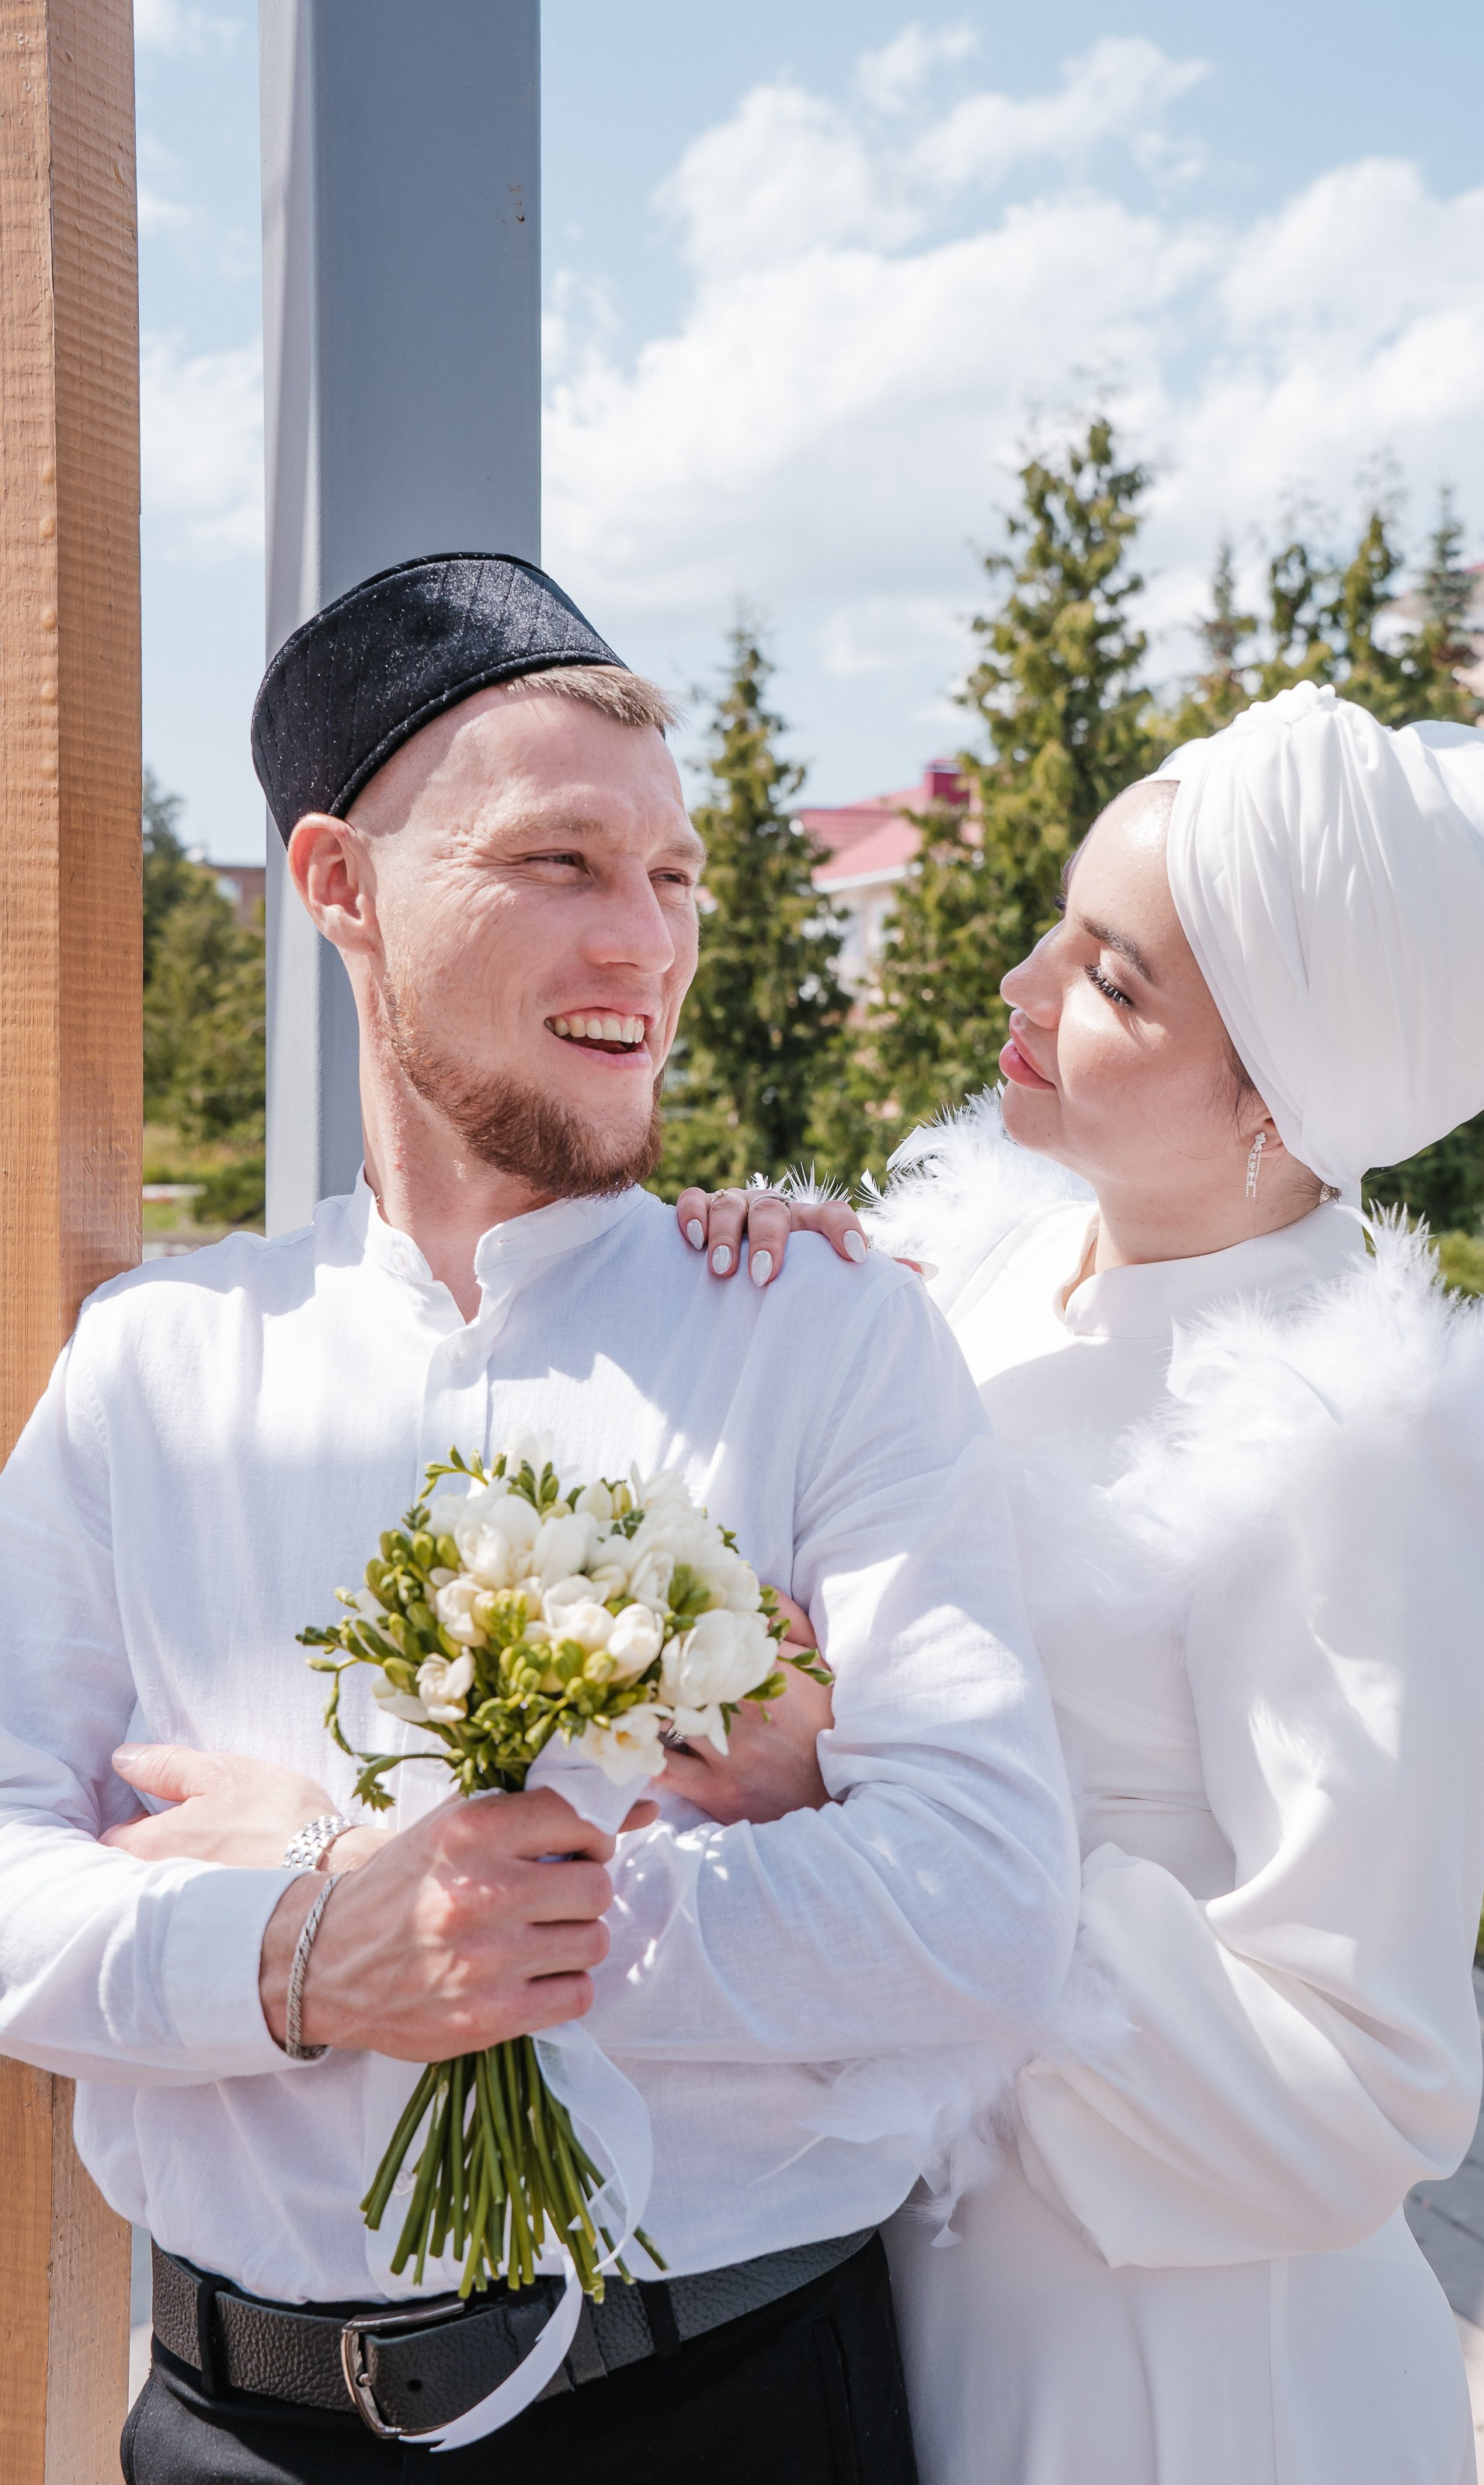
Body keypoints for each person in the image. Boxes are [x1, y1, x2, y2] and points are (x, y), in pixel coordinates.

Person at [0, 554, 1076, 2484]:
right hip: (229, 2435)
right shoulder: (148, 1367)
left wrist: (387, 1887)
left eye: (672, 880)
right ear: (338, 884)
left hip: (724, 2409)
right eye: (557, 864)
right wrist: (299, 1957)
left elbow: (985, 1905)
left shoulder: (822, 1329)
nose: (644, 948)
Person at [660, 683, 1484, 2483]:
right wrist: (766, 1308)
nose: (1021, 986)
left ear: (1282, 1089)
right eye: (1064, 921)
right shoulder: (974, 1272)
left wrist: (887, 1820)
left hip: (1175, 2376)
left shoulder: (1348, 1449)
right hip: (935, 2286)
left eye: (1114, 981)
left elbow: (1369, 2077)